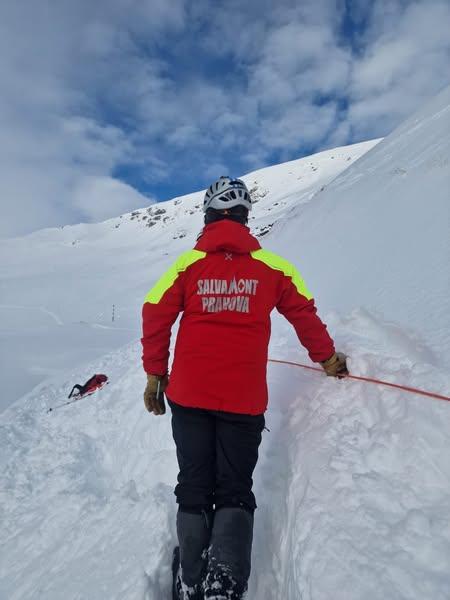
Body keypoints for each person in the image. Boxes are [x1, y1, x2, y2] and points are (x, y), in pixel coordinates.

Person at [141, 176, 348, 599]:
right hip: (243, 400)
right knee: (234, 486)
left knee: (195, 482)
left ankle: (192, 578)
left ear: (208, 214)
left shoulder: (186, 265)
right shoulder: (274, 268)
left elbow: (154, 312)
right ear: (244, 217)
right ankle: (226, 584)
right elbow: (304, 314)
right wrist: (327, 359)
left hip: (189, 396)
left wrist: (155, 374)